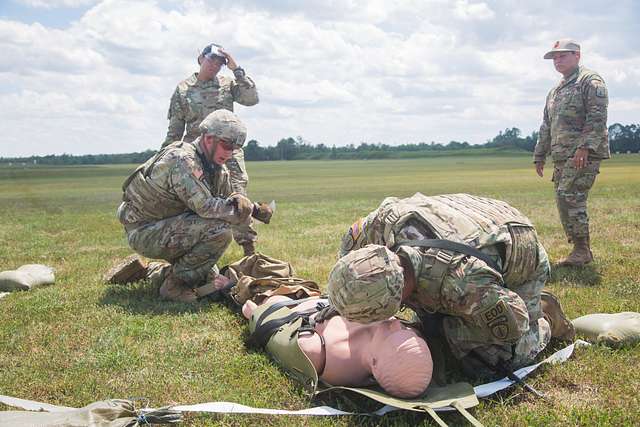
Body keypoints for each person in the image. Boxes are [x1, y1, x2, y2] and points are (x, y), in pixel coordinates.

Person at [327, 193, 575, 377]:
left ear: (399, 299)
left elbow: (513, 324)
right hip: (467, 219)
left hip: (519, 248)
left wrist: (446, 332)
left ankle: (546, 317)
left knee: (493, 360)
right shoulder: (380, 226)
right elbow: (353, 258)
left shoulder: (464, 284)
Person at [115, 110, 257, 303]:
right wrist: (250, 209)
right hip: (144, 231)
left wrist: (250, 252)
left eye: (235, 148)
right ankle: (173, 287)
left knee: (206, 274)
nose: (230, 153)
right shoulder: (182, 159)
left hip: (169, 226)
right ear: (208, 139)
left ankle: (150, 271)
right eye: (226, 145)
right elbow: (206, 207)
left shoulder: (217, 169)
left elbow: (231, 206)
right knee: (219, 232)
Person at [238, 288, 433, 399]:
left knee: (265, 291)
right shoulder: (394, 341)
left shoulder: (319, 353)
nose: (398, 323)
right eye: (407, 331)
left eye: (392, 336)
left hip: (290, 306)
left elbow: (271, 331)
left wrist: (255, 311)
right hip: (319, 296)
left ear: (375, 363)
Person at [163, 43, 260, 256]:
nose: (215, 66)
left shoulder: (227, 84)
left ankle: (249, 253)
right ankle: (193, 251)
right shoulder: (183, 89)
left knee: (238, 195)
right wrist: (165, 157)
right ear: (201, 58)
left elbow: (252, 98)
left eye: (220, 63)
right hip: (196, 155)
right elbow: (175, 130)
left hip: (228, 152)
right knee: (194, 199)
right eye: (211, 60)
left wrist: (237, 69)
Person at [533, 38, 609, 266]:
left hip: (583, 153)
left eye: (563, 55)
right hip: (562, 156)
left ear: (577, 55)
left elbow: (597, 118)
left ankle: (582, 251)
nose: (557, 60)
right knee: (562, 198)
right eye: (554, 57)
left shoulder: (590, 81)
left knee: (570, 196)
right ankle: (579, 249)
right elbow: (547, 124)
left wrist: (584, 147)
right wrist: (540, 154)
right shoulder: (555, 90)